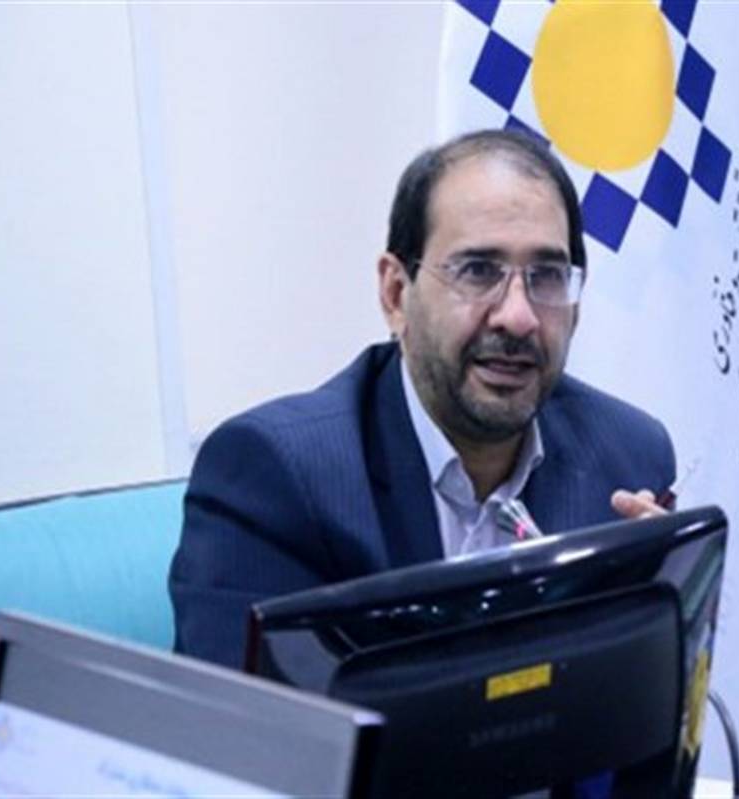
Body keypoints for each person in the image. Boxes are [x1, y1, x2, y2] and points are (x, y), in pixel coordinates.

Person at [169, 129, 675, 669]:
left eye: (546, 276)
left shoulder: (627, 457)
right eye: (478, 271)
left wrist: (656, 628)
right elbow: (245, 719)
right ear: (395, 294)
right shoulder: (276, 477)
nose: (518, 316)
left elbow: (646, 709)